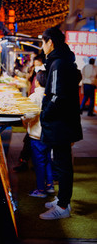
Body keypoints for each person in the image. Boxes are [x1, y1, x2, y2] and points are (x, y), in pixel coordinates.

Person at [39, 26, 83, 220]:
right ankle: (62, 199)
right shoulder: (63, 60)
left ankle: (63, 206)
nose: (42, 46)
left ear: (51, 42)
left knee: (63, 164)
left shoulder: (58, 63)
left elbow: (57, 96)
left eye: (43, 41)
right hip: (65, 122)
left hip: (61, 123)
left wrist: (45, 114)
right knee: (61, 162)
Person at [22, 70, 54, 198]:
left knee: (39, 163)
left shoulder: (35, 97)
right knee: (47, 160)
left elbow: (29, 114)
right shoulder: (51, 95)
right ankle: (49, 185)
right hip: (49, 134)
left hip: (36, 135)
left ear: (37, 81)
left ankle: (41, 190)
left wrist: (24, 119)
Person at [13, 53, 45, 173]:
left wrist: (23, 118)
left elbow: (32, 113)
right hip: (41, 128)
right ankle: (48, 182)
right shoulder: (39, 91)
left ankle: (28, 164)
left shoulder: (38, 95)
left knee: (34, 147)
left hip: (38, 130)